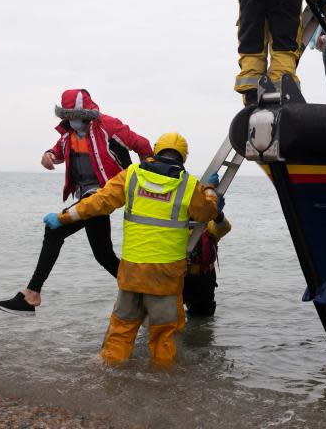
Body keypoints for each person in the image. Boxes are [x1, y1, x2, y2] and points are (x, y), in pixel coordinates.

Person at [42, 133, 218, 367]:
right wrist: (209, 191)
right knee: (164, 334)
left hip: (131, 270)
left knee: (122, 327)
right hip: (165, 275)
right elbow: (207, 214)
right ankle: (164, 385)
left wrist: (63, 217)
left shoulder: (131, 175)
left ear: (155, 151)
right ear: (183, 157)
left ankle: (109, 375)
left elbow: (98, 202)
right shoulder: (189, 185)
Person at [0, 89, 153, 315]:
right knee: (103, 254)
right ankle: (142, 295)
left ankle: (31, 295)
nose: (72, 120)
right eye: (68, 115)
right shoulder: (68, 135)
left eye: (76, 115)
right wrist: (47, 156)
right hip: (86, 196)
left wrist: (147, 177)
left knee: (54, 229)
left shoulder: (109, 126)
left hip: (106, 192)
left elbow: (142, 145)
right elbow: (56, 153)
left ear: (87, 113)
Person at [183, 212, 232, 317]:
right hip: (176, 276)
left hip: (203, 278)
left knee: (203, 316)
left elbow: (225, 227)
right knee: (165, 316)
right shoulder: (172, 222)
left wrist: (218, 214)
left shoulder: (208, 223)